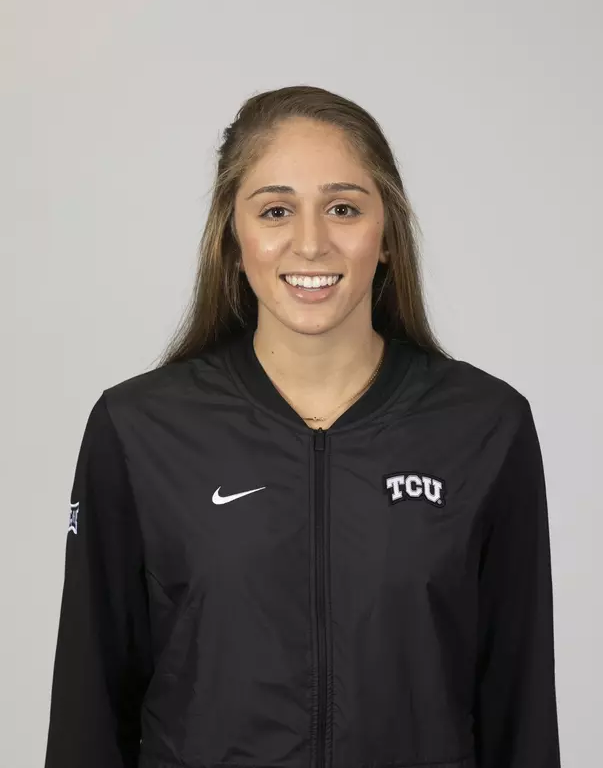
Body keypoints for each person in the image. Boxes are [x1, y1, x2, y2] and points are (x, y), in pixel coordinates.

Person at [44, 85, 561, 768]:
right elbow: (87, 711)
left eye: (343, 208)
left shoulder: (484, 426)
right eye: (276, 210)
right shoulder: (139, 428)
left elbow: (519, 709)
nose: (311, 243)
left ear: (386, 237)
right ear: (233, 239)